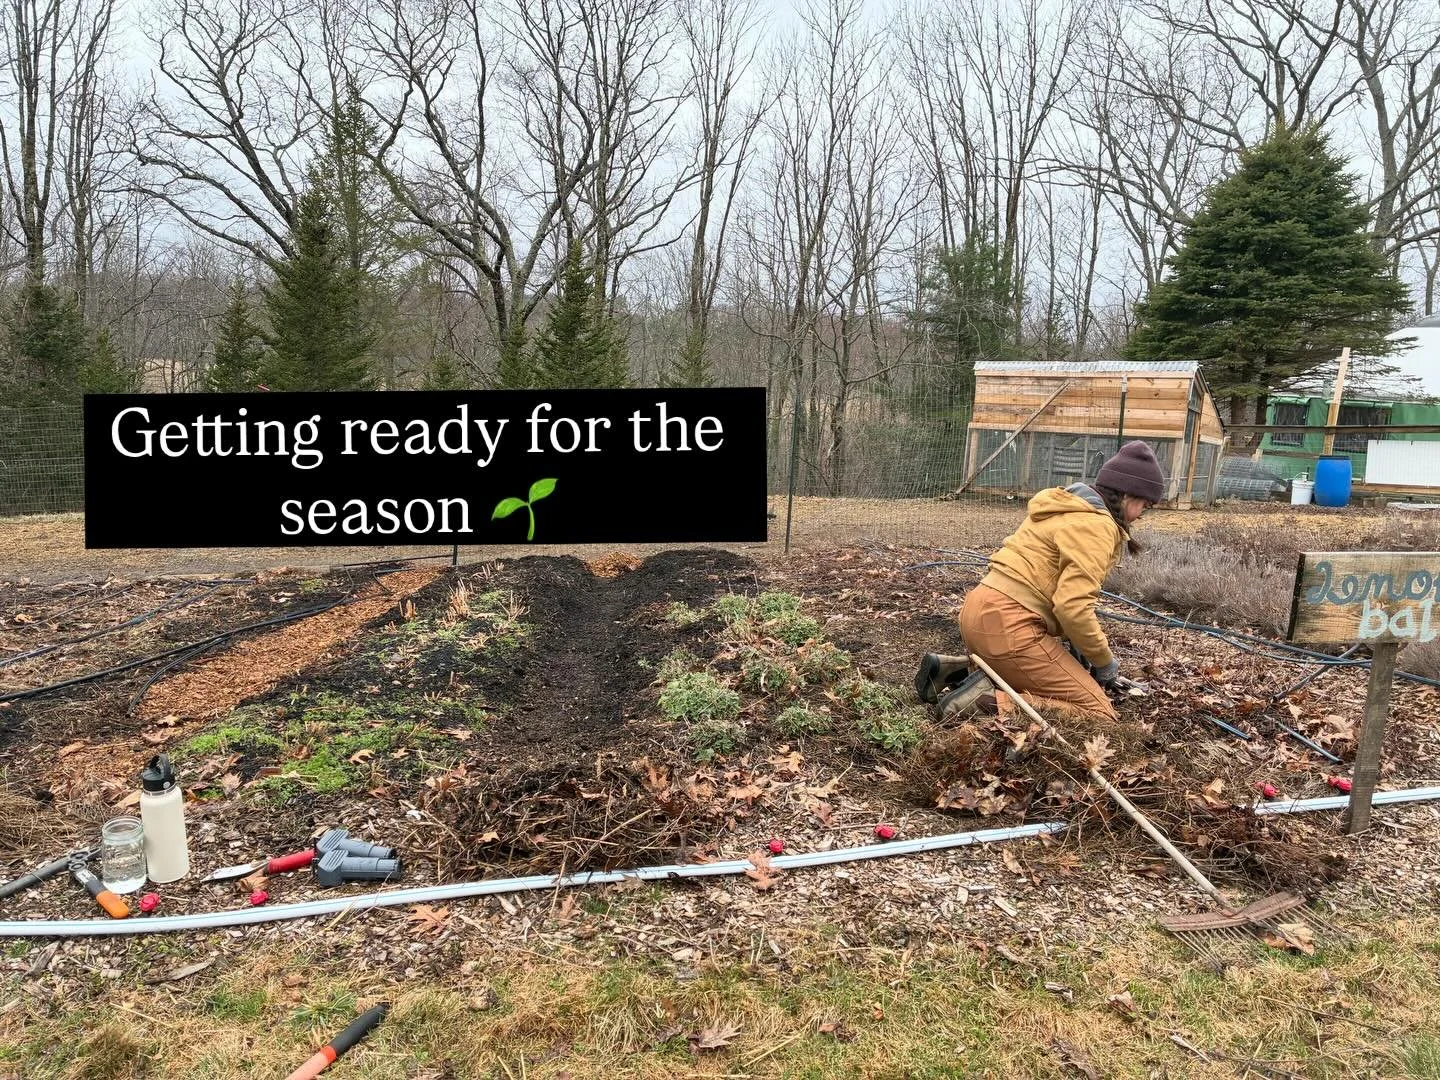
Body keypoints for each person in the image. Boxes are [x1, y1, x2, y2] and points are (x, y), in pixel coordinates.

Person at [916, 441, 1164, 721]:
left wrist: (1080, 650)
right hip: (1009, 630)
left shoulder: (1065, 508)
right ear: (1129, 494)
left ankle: (952, 671)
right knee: (1098, 712)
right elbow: (1072, 608)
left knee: (1049, 681)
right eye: (1146, 504)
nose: (1144, 512)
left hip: (978, 613)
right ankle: (985, 701)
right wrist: (1104, 662)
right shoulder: (1097, 526)